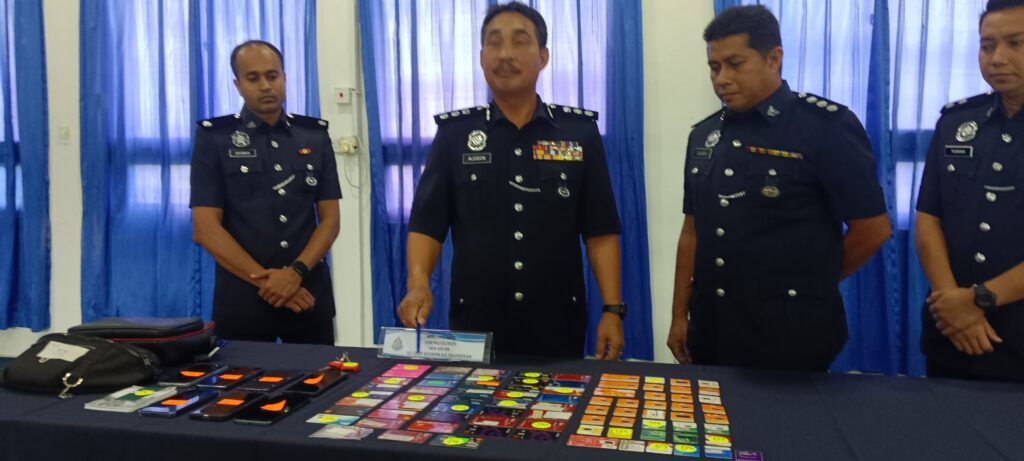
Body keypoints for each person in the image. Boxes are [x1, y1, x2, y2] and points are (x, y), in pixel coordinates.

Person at [667, 5, 891, 371]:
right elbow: (692, 231)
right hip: (714, 328)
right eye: (714, 67)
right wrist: (679, 315)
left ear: (774, 58)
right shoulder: (705, 135)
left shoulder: (825, 127)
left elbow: (872, 229)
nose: (722, 79)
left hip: (791, 332)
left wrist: (810, 284)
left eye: (735, 64)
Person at [397, 2, 626, 359]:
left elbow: (600, 231)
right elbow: (427, 224)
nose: (505, 54)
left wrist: (612, 310)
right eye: (494, 42)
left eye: (520, 42)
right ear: (481, 57)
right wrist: (417, 283)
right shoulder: (455, 134)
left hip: (557, 322)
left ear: (543, 56)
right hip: (475, 323)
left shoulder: (578, 133)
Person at [190, 40, 341, 345]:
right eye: (253, 78)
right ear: (238, 85)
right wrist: (269, 281)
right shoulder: (215, 138)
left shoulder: (314, 135)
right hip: (244, 302)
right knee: (241, 378)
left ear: (284, 77)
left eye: (272, 76)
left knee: (319, 377)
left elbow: (330, 220)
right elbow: (206, 229)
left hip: (307, 297)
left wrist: (295, 273)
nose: (265, 86)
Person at [916, 0, 1024, 382]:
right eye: (987, 45)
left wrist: (977, 301)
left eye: (1016, 43)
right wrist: (953, 306)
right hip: (952, 336)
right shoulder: (957, 121)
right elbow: (928, 218)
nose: (997, 58)